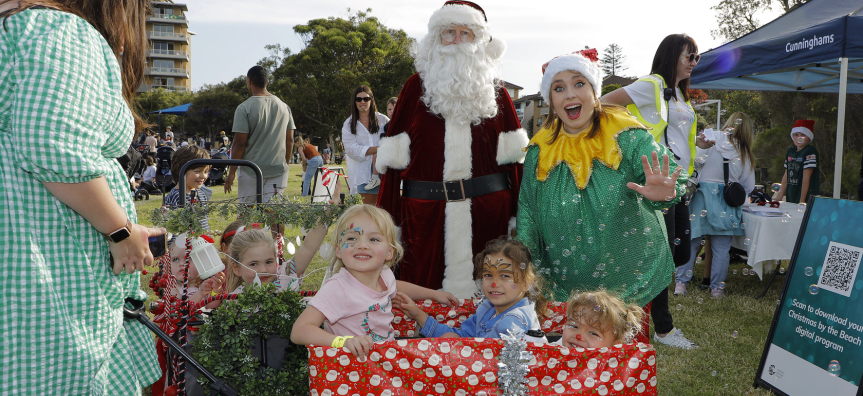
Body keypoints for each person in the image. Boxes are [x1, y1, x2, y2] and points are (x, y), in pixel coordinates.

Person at [0, 0, 166, 393]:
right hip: (41, 268)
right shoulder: (57, 31)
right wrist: (121, 233)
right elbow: (53, 145)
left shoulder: (18, 29)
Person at [516, 51, 687, 346]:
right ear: (551, 99)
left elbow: (669, 176)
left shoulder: (627, 134)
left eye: (579, 83)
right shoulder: (539, 149)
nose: (570, 94)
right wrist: (526, 271)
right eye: (559, 88)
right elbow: (528, 212)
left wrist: (665, 193)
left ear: (594, 89)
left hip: (627, 279)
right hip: (565, 283)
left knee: (623, 366)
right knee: (572, 364)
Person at [376, 1, 528, 298]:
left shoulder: (496, 91)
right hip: (424, 221)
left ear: (479, 40)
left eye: (466, 33)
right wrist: (387, 223)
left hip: (488, 220)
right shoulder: (413, 88)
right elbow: (393, 167)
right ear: (436, 39)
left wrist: (518, 221)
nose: (457, 40)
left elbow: (516, 165)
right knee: (423, 301)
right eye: (449, 32)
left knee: (489, 299)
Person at [601, 33, 710, 349]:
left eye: (696, 57)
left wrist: (697, 146)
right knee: (660, 256)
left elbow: (677, 136)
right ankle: (662, 329)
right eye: (689, 56)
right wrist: (635, 144)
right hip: (654, 184)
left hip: (677, 184)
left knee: (679, 253)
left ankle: (631, 314)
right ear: (673, 55)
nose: (693, 62)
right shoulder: (651, 85)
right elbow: (605, 104)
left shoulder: (680, 95)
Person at [290, 205, 458, 358]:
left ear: (389, 252)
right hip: (353, 372)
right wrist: (343, 342)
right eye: (351, 239)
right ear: (338, 250)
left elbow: (396, 286)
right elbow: (299, 330)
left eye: (374, 239)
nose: (362, 245)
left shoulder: (385, 275)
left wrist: (435, 294)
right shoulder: (338, 288)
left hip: (385, 362)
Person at [393, 237, 546, 339]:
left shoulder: (514, 322)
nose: (494, 283)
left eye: (505, 276)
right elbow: (460, 337)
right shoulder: (488, 310)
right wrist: (417, 314)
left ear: (527, 282)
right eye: (488, 275)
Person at [675, 112, 756, 298]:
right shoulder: (744, 152)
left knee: (692, 242)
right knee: (722, 249)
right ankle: (717, 289)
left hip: (701, 197)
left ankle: (681, 283)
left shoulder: (711, 138)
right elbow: (748, 186)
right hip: (727, 201)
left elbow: (694, 161)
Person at [225, 66, 295, 204]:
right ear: (267, 82)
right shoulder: (284, 106)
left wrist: (231, 171)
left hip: (250, 169)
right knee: (275, 216)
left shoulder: (244, 107)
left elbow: (239, 143)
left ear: (249, 81)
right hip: (278, 170)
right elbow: (290, 140)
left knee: (246, 215)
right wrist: (285, 164)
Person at [341, 85, 389, 203]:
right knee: (368, 212)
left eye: (366, 99)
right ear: (354, 101)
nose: (362, 102)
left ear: (371, 100)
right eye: (359, 99)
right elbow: (351, 150)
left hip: (385, 174)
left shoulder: (383, 120)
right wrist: (377, 149)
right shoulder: (349, 124)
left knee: (385, 213)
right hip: (362, 176)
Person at [554, 290, 645, 349]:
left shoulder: (613, 371)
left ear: (615, 346)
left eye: (593, 333)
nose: (579, 336)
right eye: (574, 326)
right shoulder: (551, 351)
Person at [164, 145, 212, 230]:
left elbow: (204, 224)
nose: (203, 176)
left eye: (206, 171)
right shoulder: (176, 197)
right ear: (181, 170)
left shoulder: (201, 193)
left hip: (202, 241)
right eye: (197, 171)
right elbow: (172, 230)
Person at [773, 120, 819, 204]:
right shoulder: (791, 151)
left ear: (809, 137)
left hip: (805, 198)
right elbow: (787, 174)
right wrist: (779, 197)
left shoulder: (810, 151)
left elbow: (806, 176)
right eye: (796, 134)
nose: (799, 137)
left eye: (803, 134)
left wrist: (802, 201)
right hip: (791, 197)